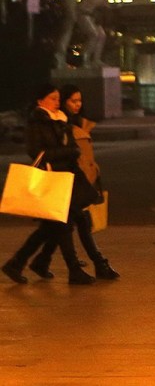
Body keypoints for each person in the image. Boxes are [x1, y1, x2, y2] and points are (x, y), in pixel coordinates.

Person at [1, 84, 98, 285]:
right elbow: (38, 152)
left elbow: (71, 147)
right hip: (52, 179)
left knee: (51, 228)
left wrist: (70, 152)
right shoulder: (37, 122)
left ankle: (21, 263)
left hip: (67, 179)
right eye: (52, 98)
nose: (56, 102)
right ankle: (72, 269)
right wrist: (69, 152)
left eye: (57, 98)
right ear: (40, 101)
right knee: (62, 226)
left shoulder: (61, 120)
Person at [27, 85, 119, 281]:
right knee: (69, 226)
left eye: (79, 101)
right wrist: (72, 153)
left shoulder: (66, 122)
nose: (76, 105)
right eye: (72, 101)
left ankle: (37, 262)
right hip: (61, 181)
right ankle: (85, 267)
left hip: (74, 180)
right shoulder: (52, 123)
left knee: (60, 228)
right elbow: (42, 151)